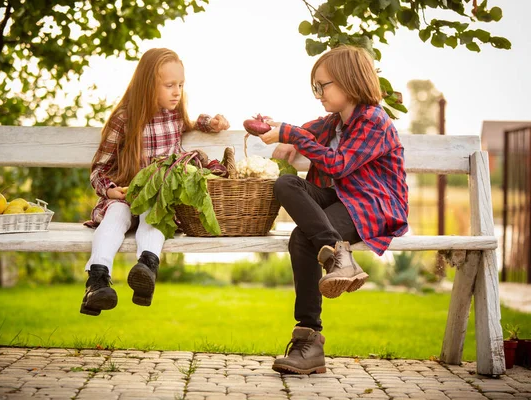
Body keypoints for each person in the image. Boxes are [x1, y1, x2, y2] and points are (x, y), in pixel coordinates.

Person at [259, 45, 409, 374]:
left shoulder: (373, 120)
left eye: (321, 86)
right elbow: (306, 130)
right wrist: (287, 133)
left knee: (301, 238)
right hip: (343, 198)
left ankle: (309, 341)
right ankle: (339, 256)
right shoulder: (334, 122)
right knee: (286, 185)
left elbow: (338, 164)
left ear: (348, 80)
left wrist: (291, 134)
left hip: (374, 205)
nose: (317, 94)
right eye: (314, 87)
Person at [81, 48, 229, 316]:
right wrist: (111, 191)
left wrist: (212, 122)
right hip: (125, 196)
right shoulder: (124, 118)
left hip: (158, 197)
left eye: (181, 85)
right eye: (170, 85)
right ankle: (97, 281)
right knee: (115, 219)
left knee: (156, 215)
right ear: (149, 84)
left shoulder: (174, 114)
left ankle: (146, 269)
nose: (177, 92)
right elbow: (98, 169)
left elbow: (192, 122)